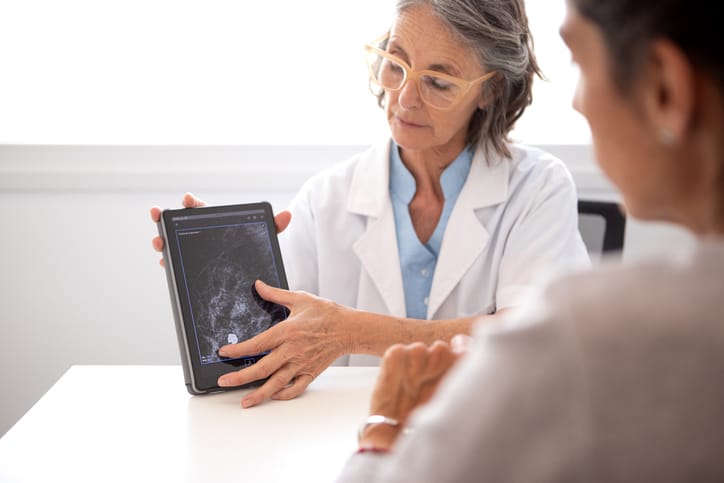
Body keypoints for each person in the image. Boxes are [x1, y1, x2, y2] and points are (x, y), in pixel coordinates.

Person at [333, 0, 724, 481]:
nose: (577, 103)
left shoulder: (588, 332)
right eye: (395, 64)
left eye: (580, 63)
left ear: (664, 88)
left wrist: (383, 425)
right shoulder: (328, 194)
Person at [151, 0, 590, 408]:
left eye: (437, 81)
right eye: (396, 63)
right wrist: (225, 268)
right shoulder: (327, 198)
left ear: (490, 90)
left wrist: (351, 333)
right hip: (350, 439)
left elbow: (540, 339)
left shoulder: (537, 188)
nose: (404, 98)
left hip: (491, 432)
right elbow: (272, 339)